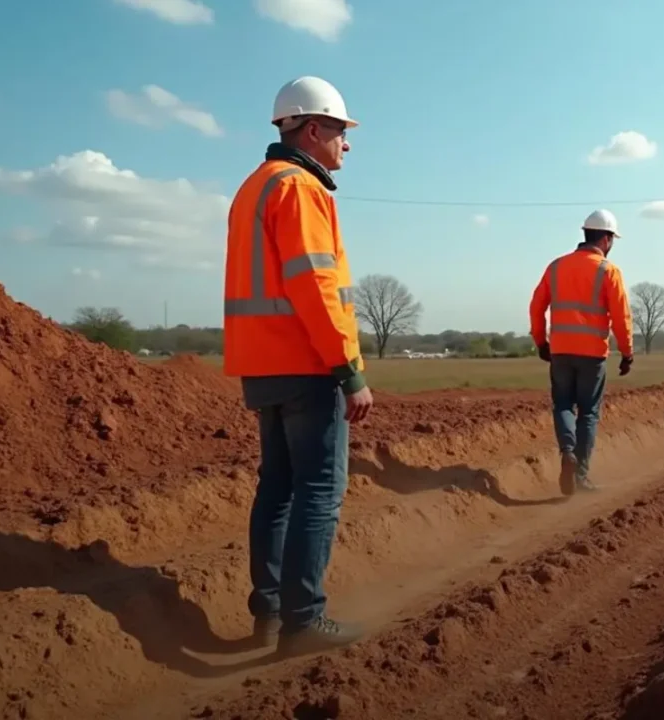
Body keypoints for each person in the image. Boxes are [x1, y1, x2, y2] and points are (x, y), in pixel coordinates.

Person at [221, 76, 373, 655]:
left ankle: (269, 611)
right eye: (340, 132)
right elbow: (314, 284)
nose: (346, 145)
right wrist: (349, 369)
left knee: (278, 489)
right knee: (318, 492)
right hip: (308, 365)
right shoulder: (302, 188)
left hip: (261, 367)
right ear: (313, 129)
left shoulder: (252, 188)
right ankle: (304, 620)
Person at [529, 209, 635, 495]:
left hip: (561, 351)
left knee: (563, 404)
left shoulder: (556, 267)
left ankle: (567, 451)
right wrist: (627, 353)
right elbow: (621, 316)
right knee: (588, 413)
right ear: (606, 238)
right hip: (593, 354)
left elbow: (536, 306)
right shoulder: (609, 271)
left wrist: (541, 341)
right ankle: (581, 476)